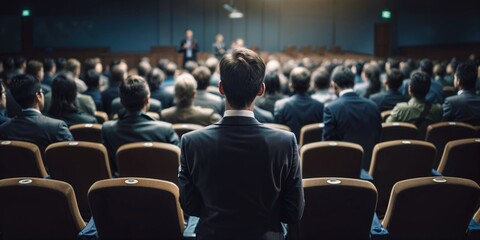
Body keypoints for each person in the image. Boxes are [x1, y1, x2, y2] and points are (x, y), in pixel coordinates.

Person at [179, 48, 304, 240]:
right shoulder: (286, 142)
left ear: (221, 88)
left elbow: (189, 206)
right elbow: (293, 212)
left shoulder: (191, 142)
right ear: (261, 89)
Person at [102, 75, 179, 172]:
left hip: (122, 185)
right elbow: (178, 165)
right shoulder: (166, 130)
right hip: (159, 185)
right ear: (147, 100)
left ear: (121, 101)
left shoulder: (107, 129)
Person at [323, 66, 382, 170]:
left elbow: (327, 145)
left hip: (343, 169)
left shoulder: (331, 109)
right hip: (372, 167)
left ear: (334, 86)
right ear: (354, 83)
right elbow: (378, 137)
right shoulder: (373, 106)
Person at [0, 74, 73, 156]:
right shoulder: (58, 127)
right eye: (42, 92)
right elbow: (71, 159)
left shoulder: (4, 129)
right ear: (38, 95)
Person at [274, 67, 324, 140]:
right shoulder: (320, 106)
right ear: (309, 86)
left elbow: (278, 135)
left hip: (289, 149)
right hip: (311, 150)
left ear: (290, 85)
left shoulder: (280, 105)